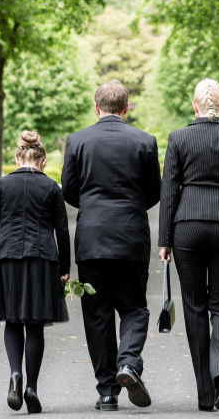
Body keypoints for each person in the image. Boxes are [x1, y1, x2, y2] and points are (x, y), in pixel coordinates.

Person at [158, 78, 219, 412]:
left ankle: (205, 393)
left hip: (188, 225)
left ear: (195, 106)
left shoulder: (178, 138)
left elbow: (169, 190)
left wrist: (165, 241)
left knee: (195, 306)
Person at [62, 79, 162, 411]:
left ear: (97, 107)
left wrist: (93, 208)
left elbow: (69, 190)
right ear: (126, 107)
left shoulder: (77, 141)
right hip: (133, 234)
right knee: (134, 306)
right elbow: (154, 192)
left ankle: (107, 391)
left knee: (97, 313)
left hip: (91, 236)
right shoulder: (145, 141)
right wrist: (131, 208)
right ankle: (129, 362)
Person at [0, 131, 71, 414]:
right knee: (35, 324)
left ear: (17, 158)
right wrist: (65, 268)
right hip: (42, 258)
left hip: (6, 258)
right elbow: (63, 232)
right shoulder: (53, 189)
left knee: (12, 320)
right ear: (42, 161)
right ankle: (31, 387)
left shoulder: (2, 185)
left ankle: (15, 375)